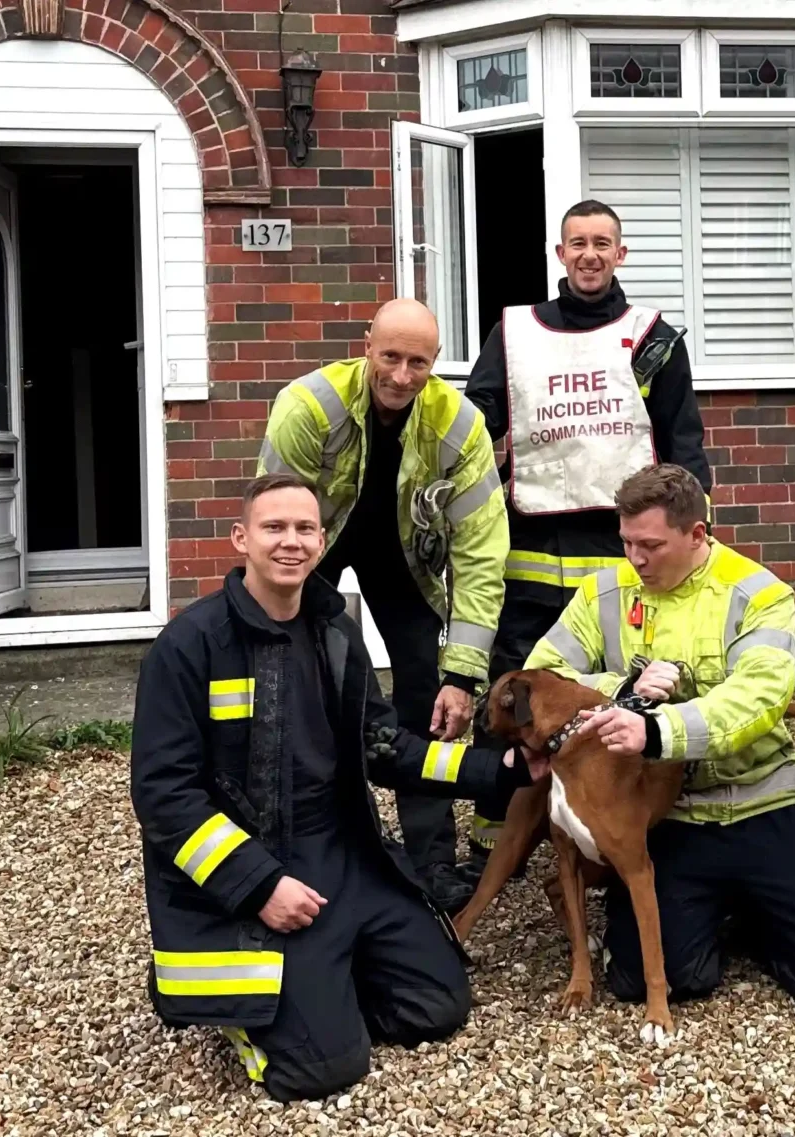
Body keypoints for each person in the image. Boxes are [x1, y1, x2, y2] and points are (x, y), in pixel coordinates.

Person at [129, 473, 544, 1101]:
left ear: (322, 542)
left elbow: (386, 747)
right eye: (274, 528)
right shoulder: (190, 645)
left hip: (344, 856)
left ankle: (322, 989)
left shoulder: (335, 631)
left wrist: (503, 771)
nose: (290, 542)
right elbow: (164, 796)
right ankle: (248, 1014)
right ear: (241, 538)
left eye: (304, 529)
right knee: (320, 1072)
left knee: (438, 1008)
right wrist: (259, 886)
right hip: (261, 868)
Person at [525, 463, 795, 1006]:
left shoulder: (759, 593)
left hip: (761, 796)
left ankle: (766, 906)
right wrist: (623, 687)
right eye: (626, 543)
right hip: (669, 814)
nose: (635, 559)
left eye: (650, 545)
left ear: (697, 534)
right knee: (656, 978)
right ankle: (731, 910)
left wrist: (659, 729)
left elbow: (759, 698)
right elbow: (543, 677)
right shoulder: (602, 591)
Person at [458, 199, 713, 886]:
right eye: (579, 243)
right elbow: (474, 419)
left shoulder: (653, 338)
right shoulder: (515, 333)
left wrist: (693, 527)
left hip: (621, 554)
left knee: (622, 687)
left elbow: (683, 440)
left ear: (620, 253)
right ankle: (498, 828)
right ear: (560, 253)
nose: (591, 254)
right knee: (513, 688)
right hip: (530, 549)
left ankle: (618, 818)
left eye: (603, 242)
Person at [255, 299, 507, 914]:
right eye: (389, 357)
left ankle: (432, 863)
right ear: (365, 345)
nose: (400, 375)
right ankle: (330, 846)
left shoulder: (461, 425)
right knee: (332, 687)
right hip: (316, 549)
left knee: (428, 699)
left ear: (435, 362)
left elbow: (480, 553)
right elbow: (274, 520)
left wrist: (463, 675)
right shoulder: (307, 406)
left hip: (406, 561)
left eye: (417, 362)